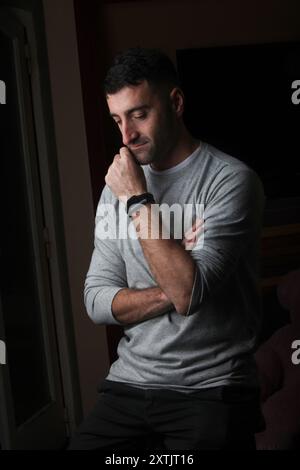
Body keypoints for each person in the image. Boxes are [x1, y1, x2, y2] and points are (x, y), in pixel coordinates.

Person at [68, 47, 266, 451]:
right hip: (129, 382)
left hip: (210, 388)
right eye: (117, 120)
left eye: (139, 114)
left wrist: (140, 201)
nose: (126, 137)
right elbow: (96, 300)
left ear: (175, 103)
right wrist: (175, 283)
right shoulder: (115, 188)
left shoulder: (229, 181)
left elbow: (188, 296)